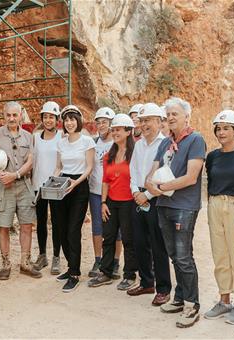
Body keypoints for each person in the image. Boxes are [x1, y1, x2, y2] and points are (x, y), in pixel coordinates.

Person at [147, 97, 206, 328]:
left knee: (183, 257)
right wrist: (150, 184)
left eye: (175, 114)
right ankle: (180, 298)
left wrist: (159, 188)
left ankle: (192, 305)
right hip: (164, 206)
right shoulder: (164, 143)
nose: (170, 117)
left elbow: (191, 177)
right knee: (174, 256)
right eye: (168, 114)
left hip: (184, 206)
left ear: (186, 117)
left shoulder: (195, 140)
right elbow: (153, 171)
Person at [0, 101, 41, 280]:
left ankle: (25, 262)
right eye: (8, 115)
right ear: (3, 116)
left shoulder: (29, 137)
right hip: (3, 186)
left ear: (20, 115)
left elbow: (31, 161)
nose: (12, 118)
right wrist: (1, 174)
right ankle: (6, 263)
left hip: (23, 185)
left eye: (15, 115)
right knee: (3, 226)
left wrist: (15, 175)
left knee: (26, 225)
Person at [204, 110, 234, 324]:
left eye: (226, 128)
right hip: (215, 204)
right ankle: (224, 299)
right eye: (218, 128)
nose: (221, 132)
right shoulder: (213, 156)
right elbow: (210, 182)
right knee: (219, 254)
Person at [87, 114, 138, 290]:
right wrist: (103, 202)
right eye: (113, 129)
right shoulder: (109, 155)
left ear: (128, 131)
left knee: (128, 239)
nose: (115, 132)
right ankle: (106, 272)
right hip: (111, 201)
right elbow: (105, 181)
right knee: (108, 237)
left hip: (129, 202)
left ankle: (130, 275)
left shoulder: (135, 153)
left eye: (118, 130)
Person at [127, 103, 172, 301]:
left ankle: (163, 289)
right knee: (139, 242)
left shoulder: (166, 145)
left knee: (158, 244)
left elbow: (166, 177)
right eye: (142, 120)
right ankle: (146, 283)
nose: (144, 125)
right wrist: (136, 192)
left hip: (156, 198)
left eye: (148, 121)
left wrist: (148, 195)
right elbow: (133, 171)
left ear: (159, 122)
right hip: (138, 197)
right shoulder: (138, 145)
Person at [52, 104, 95, 292]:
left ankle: (75, 273)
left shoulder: (87, 142)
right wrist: (52, 181)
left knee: (73, 230)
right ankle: (70, 267)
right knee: (61, 230)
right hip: (62, 185)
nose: (69, 123)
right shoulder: (61, 142)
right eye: (66, 120)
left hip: (79, 186)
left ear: (78, 120)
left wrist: (75, 183)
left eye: (72, 119)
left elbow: (89, 167)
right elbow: (59, 166)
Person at [88, 107, 122, 279]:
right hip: (95, 190)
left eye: (104, 122)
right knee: (97, 226)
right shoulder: (93, 143)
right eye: (98, 122)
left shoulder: (117, 144)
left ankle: (115, 262)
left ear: (111, 124)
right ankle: (98, 260)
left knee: (116, 229)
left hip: (114, 191)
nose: (101, 125)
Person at [32, 101, 63, 274]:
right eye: (45, 117)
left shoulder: (62, 137)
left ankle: (57, 257)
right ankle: (42, 255)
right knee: (41, 222)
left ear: (57, 119)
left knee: (57, 222)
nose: (48, 120)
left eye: (51, 117)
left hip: (55, 186)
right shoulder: (36, 137)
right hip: (38, 185)